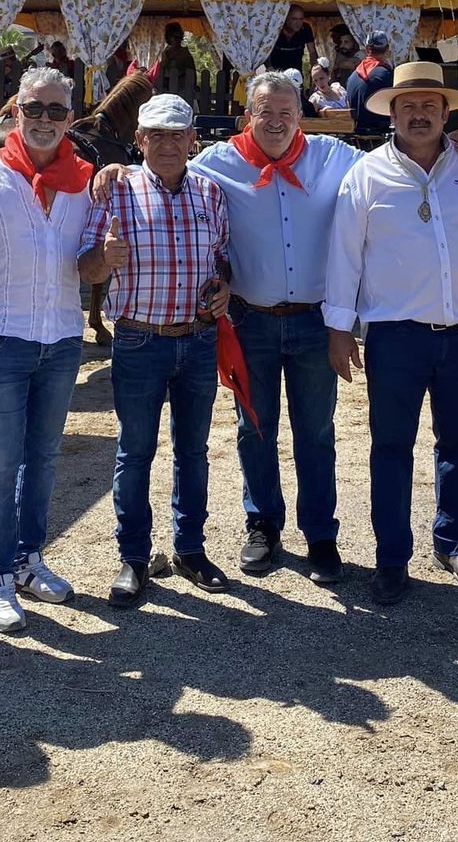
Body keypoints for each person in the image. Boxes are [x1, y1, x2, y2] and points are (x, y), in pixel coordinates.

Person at [324, 62, 458, 605]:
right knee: (391, 447)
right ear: (391, 113)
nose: (420, 113)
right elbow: (344, 256)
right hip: (395, 335)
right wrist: (340, 329)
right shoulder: (365, 175)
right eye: (408, 105)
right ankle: (391, 557)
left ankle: (454, 542)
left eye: (431, 105)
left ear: (447, 112)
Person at [187, 72, 357, 584]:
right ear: (247, 118)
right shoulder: (216, 165)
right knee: (253, 429)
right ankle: (262, 524)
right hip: (249, 321)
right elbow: (159, 175)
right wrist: (113, 174)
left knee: (317, 431)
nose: (278, 122)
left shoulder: (334, 157)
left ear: (300, 115)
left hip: (313, 322)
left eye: (288, 112)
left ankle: (320, 534)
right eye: (266, 112)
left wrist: (456, 145)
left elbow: (398, 169)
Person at [0, 66, 92, 633]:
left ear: (70, 118)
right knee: (0, 460)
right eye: (35, 109)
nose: (45, 121)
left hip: (60, 334)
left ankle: (30, 559)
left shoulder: (86, 179)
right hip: (1, 335)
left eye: (57, 111)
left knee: (45, 456)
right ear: (15, 112)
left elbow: (93, 252)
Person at [79, 94, 232, 607]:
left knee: (193, 451)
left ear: (193, 140)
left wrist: (225, 288)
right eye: (156, 135)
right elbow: (86, 269)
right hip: (139, 338)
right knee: (135, 452)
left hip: (198, 336)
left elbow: (222, 261)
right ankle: (134, 558)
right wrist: (102, 260)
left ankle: (190, 549)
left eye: (177, 135)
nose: (168, 144)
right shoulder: (114, 190)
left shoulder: (210, 193)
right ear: (139, 140)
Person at [344, 31, 395, 136]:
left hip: (357, 137)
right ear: (387, 49)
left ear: (367, 49)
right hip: (380, 137)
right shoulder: (387, 74)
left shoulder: (352, 76)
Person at [263, 4, 317, 73]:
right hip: (276, 73)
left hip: (296, 73)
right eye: (294, 19)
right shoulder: (275, 28)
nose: (298, 23)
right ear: (286, 18)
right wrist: (269, 68)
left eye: (301, 19)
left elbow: (312, 52)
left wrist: (315, 70)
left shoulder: (305, 29)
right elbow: (265, 51)